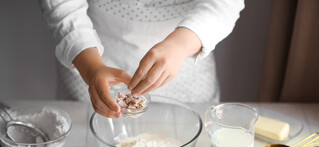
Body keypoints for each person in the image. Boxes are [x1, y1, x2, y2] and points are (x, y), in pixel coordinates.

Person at [39, 0, 245, 118]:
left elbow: (225, 3)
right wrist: (92, 68)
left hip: (187, 75)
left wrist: (180, 45)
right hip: (90, 62)